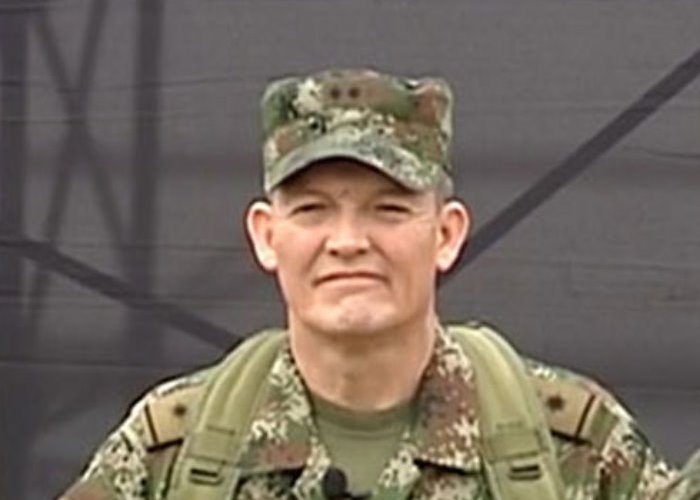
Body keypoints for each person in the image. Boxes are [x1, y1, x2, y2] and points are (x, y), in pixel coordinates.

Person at [59, 68, 677, 500]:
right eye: (313, 210)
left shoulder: (572, 448)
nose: (348, 241)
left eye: (388, 209)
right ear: (266, 236)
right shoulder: (174, 452)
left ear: (447, 234)